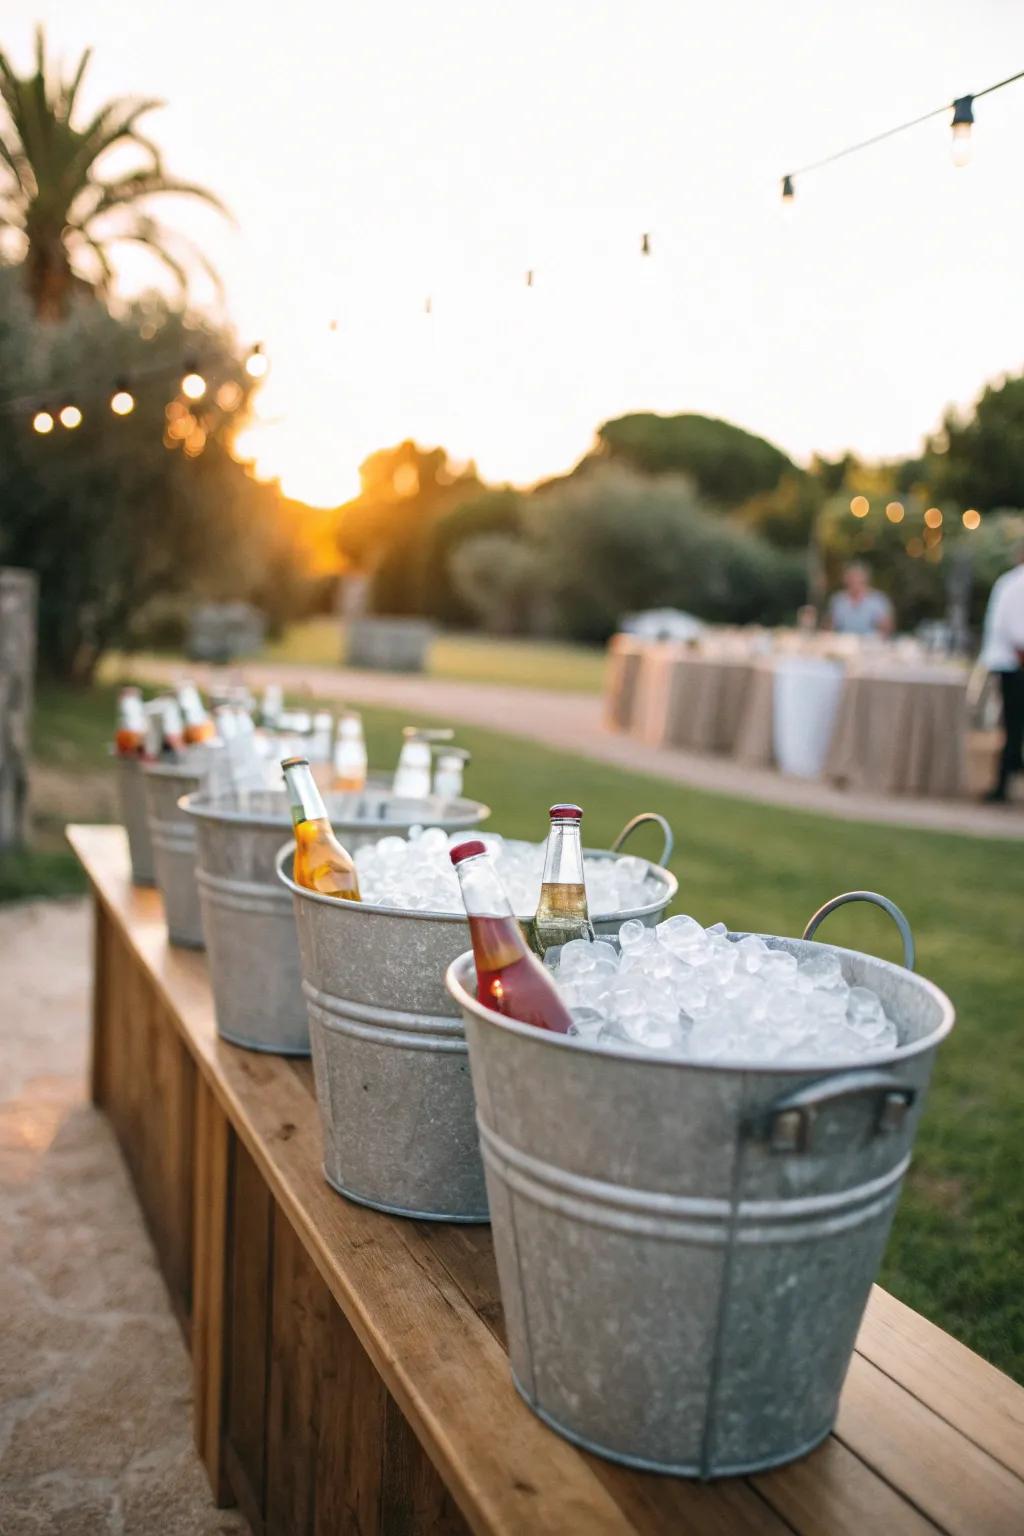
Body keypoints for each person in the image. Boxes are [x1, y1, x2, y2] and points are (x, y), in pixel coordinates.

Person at [979, 543, 1024, 803]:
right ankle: (1003, 784)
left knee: (1012, 727)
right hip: (1014, 665)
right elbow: (1016, 631)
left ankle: (1005, 781)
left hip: (1010, 664)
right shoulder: (1016, 584)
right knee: (1013, 727)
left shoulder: (1009, 582)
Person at [826, 561, 894, 637]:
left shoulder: (878, 599)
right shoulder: (838, 599)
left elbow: (887, 629)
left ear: (866, 579)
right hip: (844, 643)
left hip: (871, 643)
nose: (855, 580)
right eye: (851, 577)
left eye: (858, 577)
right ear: (845, 579)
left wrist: (882, 625)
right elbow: (829, 628)